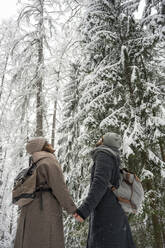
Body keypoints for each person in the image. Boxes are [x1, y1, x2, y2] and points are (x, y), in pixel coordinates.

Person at [74, 132, 136, 248]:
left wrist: (84, 210)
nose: (99, 140)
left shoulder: (104, 155)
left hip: (107, 215)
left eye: (101, 138)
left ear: (104, 141)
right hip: (113, 211)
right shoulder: (113, 156)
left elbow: (99, 184)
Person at [14, 137, 77, 248]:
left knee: (30, 241)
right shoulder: (49, 161)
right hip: (45, 210)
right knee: (48, 240)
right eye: (46, 143)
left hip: (29, 209)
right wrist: (73, 210)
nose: (49, 144)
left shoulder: (34, 163)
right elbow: (60, 188)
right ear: (42, 147)